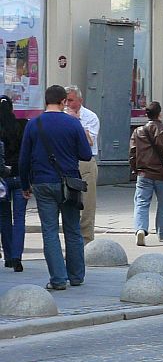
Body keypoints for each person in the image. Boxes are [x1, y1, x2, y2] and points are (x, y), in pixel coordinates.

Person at [19, 85, 92, 292]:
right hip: (69, 183)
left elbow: (24, 159)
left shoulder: (34, 124)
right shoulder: (73, 123)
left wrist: (25, 185)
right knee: (73, 229)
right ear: (63, 102)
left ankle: (58, 279)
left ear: (46, 101)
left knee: (50, 231)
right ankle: (76, 276)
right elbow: (86, 155)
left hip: (42, 183)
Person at [129, 101, 163, 245]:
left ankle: (140, 229)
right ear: (160, 114)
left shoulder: (138, 132)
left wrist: (135, 169)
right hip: (162, 176)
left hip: (144, 174)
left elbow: (133, 153)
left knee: (141, 203)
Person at [63, 85, 100, 244]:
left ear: (80, 100)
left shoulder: (90, 117)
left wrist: (76, 121)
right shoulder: (61, 116)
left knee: (87, 205)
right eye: (65, 101)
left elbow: (89, 141)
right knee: (68, 204)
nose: (67, 104)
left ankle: (86, 243)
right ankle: (71, 242)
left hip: (85, 163)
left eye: (70, 100)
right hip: (66, 162)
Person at [0, 96, 27, 272]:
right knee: (19, 218)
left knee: (4, 218)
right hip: (20, 176)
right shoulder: (23, 125)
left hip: (2, 180)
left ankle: (9, 256)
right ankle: (17, 257)